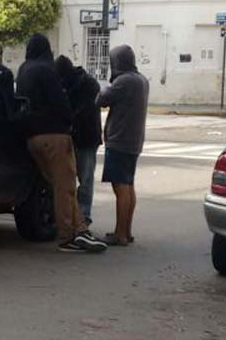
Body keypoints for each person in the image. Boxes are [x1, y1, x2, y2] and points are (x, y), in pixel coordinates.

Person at [16, 33, 107, 254]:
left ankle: (80, 229)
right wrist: (69, 122)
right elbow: (60, 103)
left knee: (59, 187)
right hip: (54, 135)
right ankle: (68, 237)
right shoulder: (47, 70)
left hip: (33, 137)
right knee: (66, 189)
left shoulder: (24, 70)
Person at [96, 45, 150, 247]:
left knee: (120, 187)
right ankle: (126, 231)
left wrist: (103, 86)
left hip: (120, 140)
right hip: (134, 141)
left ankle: (120, 234)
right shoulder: (141, 80)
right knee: (128, 185)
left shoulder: (124, 81)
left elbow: (101, 99)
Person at [55, 55, 102, 226]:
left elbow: (84, 111)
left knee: (85, 178)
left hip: (86, 137)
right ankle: (77, 215)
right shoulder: (68, 83)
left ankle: (84, 216)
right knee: (75, 179)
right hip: (74, 136)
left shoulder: (87, 85)